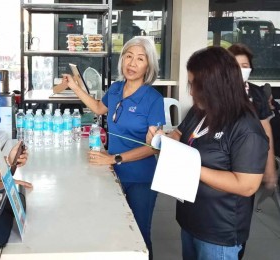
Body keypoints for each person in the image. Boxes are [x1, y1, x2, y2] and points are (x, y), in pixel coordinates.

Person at [148, 46, 268, 260]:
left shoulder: (245, 128)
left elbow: (246, 185)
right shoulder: (200, 111)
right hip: (191, 219)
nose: (191, 92)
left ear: (216, 86)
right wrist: (160, 140)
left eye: (196, 85)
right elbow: (179, 135)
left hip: (218, 232)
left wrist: (191, 167)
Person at [64, 36, 165, 260]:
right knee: (114, 228)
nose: (132, 63)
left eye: (140, 59)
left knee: (139, 234)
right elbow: (99, 108)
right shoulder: (117, 88)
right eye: (128, 56)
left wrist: (114, 158)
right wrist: (75, 88)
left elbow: (154, 148)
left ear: (149, 65)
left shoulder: (153, 99)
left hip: (140, 178)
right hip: (112, 173)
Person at [227, 43, 278, 190]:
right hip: (224, 156)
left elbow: (266, 130)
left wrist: (270, 166)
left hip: (248, 157)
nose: (240, 70)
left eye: (245, 65)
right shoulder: (218, 92)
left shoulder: (257, 93)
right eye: (236, 65)